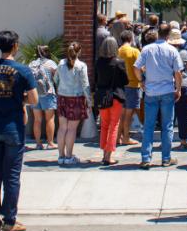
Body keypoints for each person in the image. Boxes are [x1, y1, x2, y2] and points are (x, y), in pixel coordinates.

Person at [0, 30, 38, 231]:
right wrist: (19, 99)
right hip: (13, 128)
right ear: (15, 46)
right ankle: (10, 220)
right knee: (12, 177)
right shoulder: (23, 71)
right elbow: (34, 99)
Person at [134, 25, 184, 169]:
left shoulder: (147, 49)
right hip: (167, 90)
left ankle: (146, 158)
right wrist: (178, 89)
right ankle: (166, 158)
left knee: (149, 126)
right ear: (168, 35)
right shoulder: (172, 50)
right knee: (167, 126)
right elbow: (178, 73)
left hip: (150, 91)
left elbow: (136, 67)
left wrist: (141, 81)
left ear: (157, 33)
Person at [94, 36, 129, 166]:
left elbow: (96, 80)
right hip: (116, 96)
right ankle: (109, 155)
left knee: (104, 125)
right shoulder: (119, 63)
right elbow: (125, 81)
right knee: (114, 125)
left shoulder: (98, 62)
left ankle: (104, 153)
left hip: (103, 97)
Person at [54, 41, 90, 166]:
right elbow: (85, 85)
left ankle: (61, 156)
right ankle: (69, 156)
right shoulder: (82, 66)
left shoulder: (60, 63)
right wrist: (89, 101)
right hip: (76, 98)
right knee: (72, 129)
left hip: (62, 97)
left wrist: (61, 88)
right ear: (79, 51)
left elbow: (56, 79)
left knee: (62, 127)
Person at [27, 45, 58, 150]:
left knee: (37, 120)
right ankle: (50, 143)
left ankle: (38, 143)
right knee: (50, 118)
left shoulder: (32, 64)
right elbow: (57, 78)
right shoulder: (51, 63)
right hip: (48, 93)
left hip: (35, 94)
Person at [169, 27, 187, 149]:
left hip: (168, 84)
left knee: (169, 116)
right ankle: (183, 140)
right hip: (183, 85)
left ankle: (167, 140)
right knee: (183, 115)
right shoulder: (183, 53)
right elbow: (186, 69)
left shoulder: (166, 51)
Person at [116, 30, 141, 146]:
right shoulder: (135, 51)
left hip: (120, 86)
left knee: (121, 113)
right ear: (131, 39)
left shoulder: (117, 51)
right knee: (129, 114)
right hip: (133, 85)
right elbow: (141, 68)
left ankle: (117, 137)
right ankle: (126, 137)